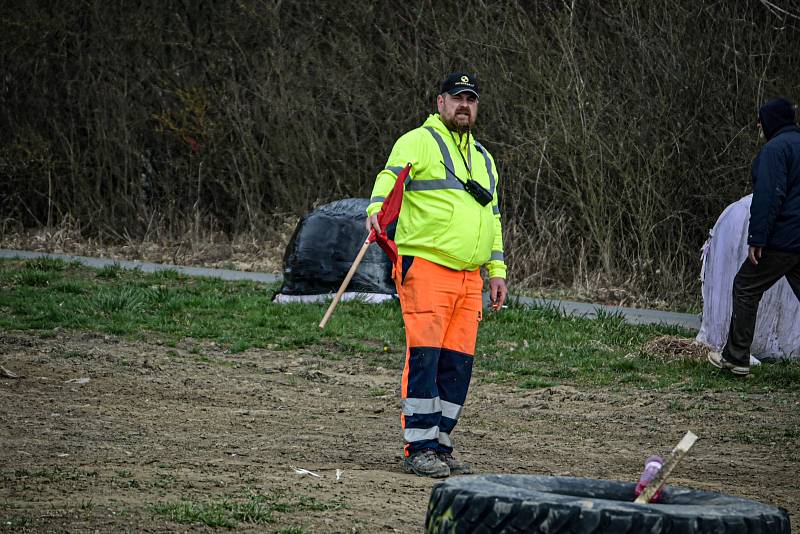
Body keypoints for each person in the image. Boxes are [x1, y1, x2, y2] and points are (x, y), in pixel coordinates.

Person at [365, 72, 508, 477]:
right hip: (426, 268)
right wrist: (376, 211)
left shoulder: (484, 158)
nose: (465, 105)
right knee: (425, 359)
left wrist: (496, 270)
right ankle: (419, 447)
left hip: (469, 278)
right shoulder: (417, 140)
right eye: (457, 97)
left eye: (471, 99)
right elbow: (388, 181)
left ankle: (441, 442)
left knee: (457, 365)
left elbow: (492, 217)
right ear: (441, 102)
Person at [708, 98, 800, 376]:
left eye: (761, 119)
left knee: (746, 286)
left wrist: (757, 239)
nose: (758, 125)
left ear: (771, 121)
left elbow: (768, 198)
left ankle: (736, 357)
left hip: (785, 239)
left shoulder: (775, 150)